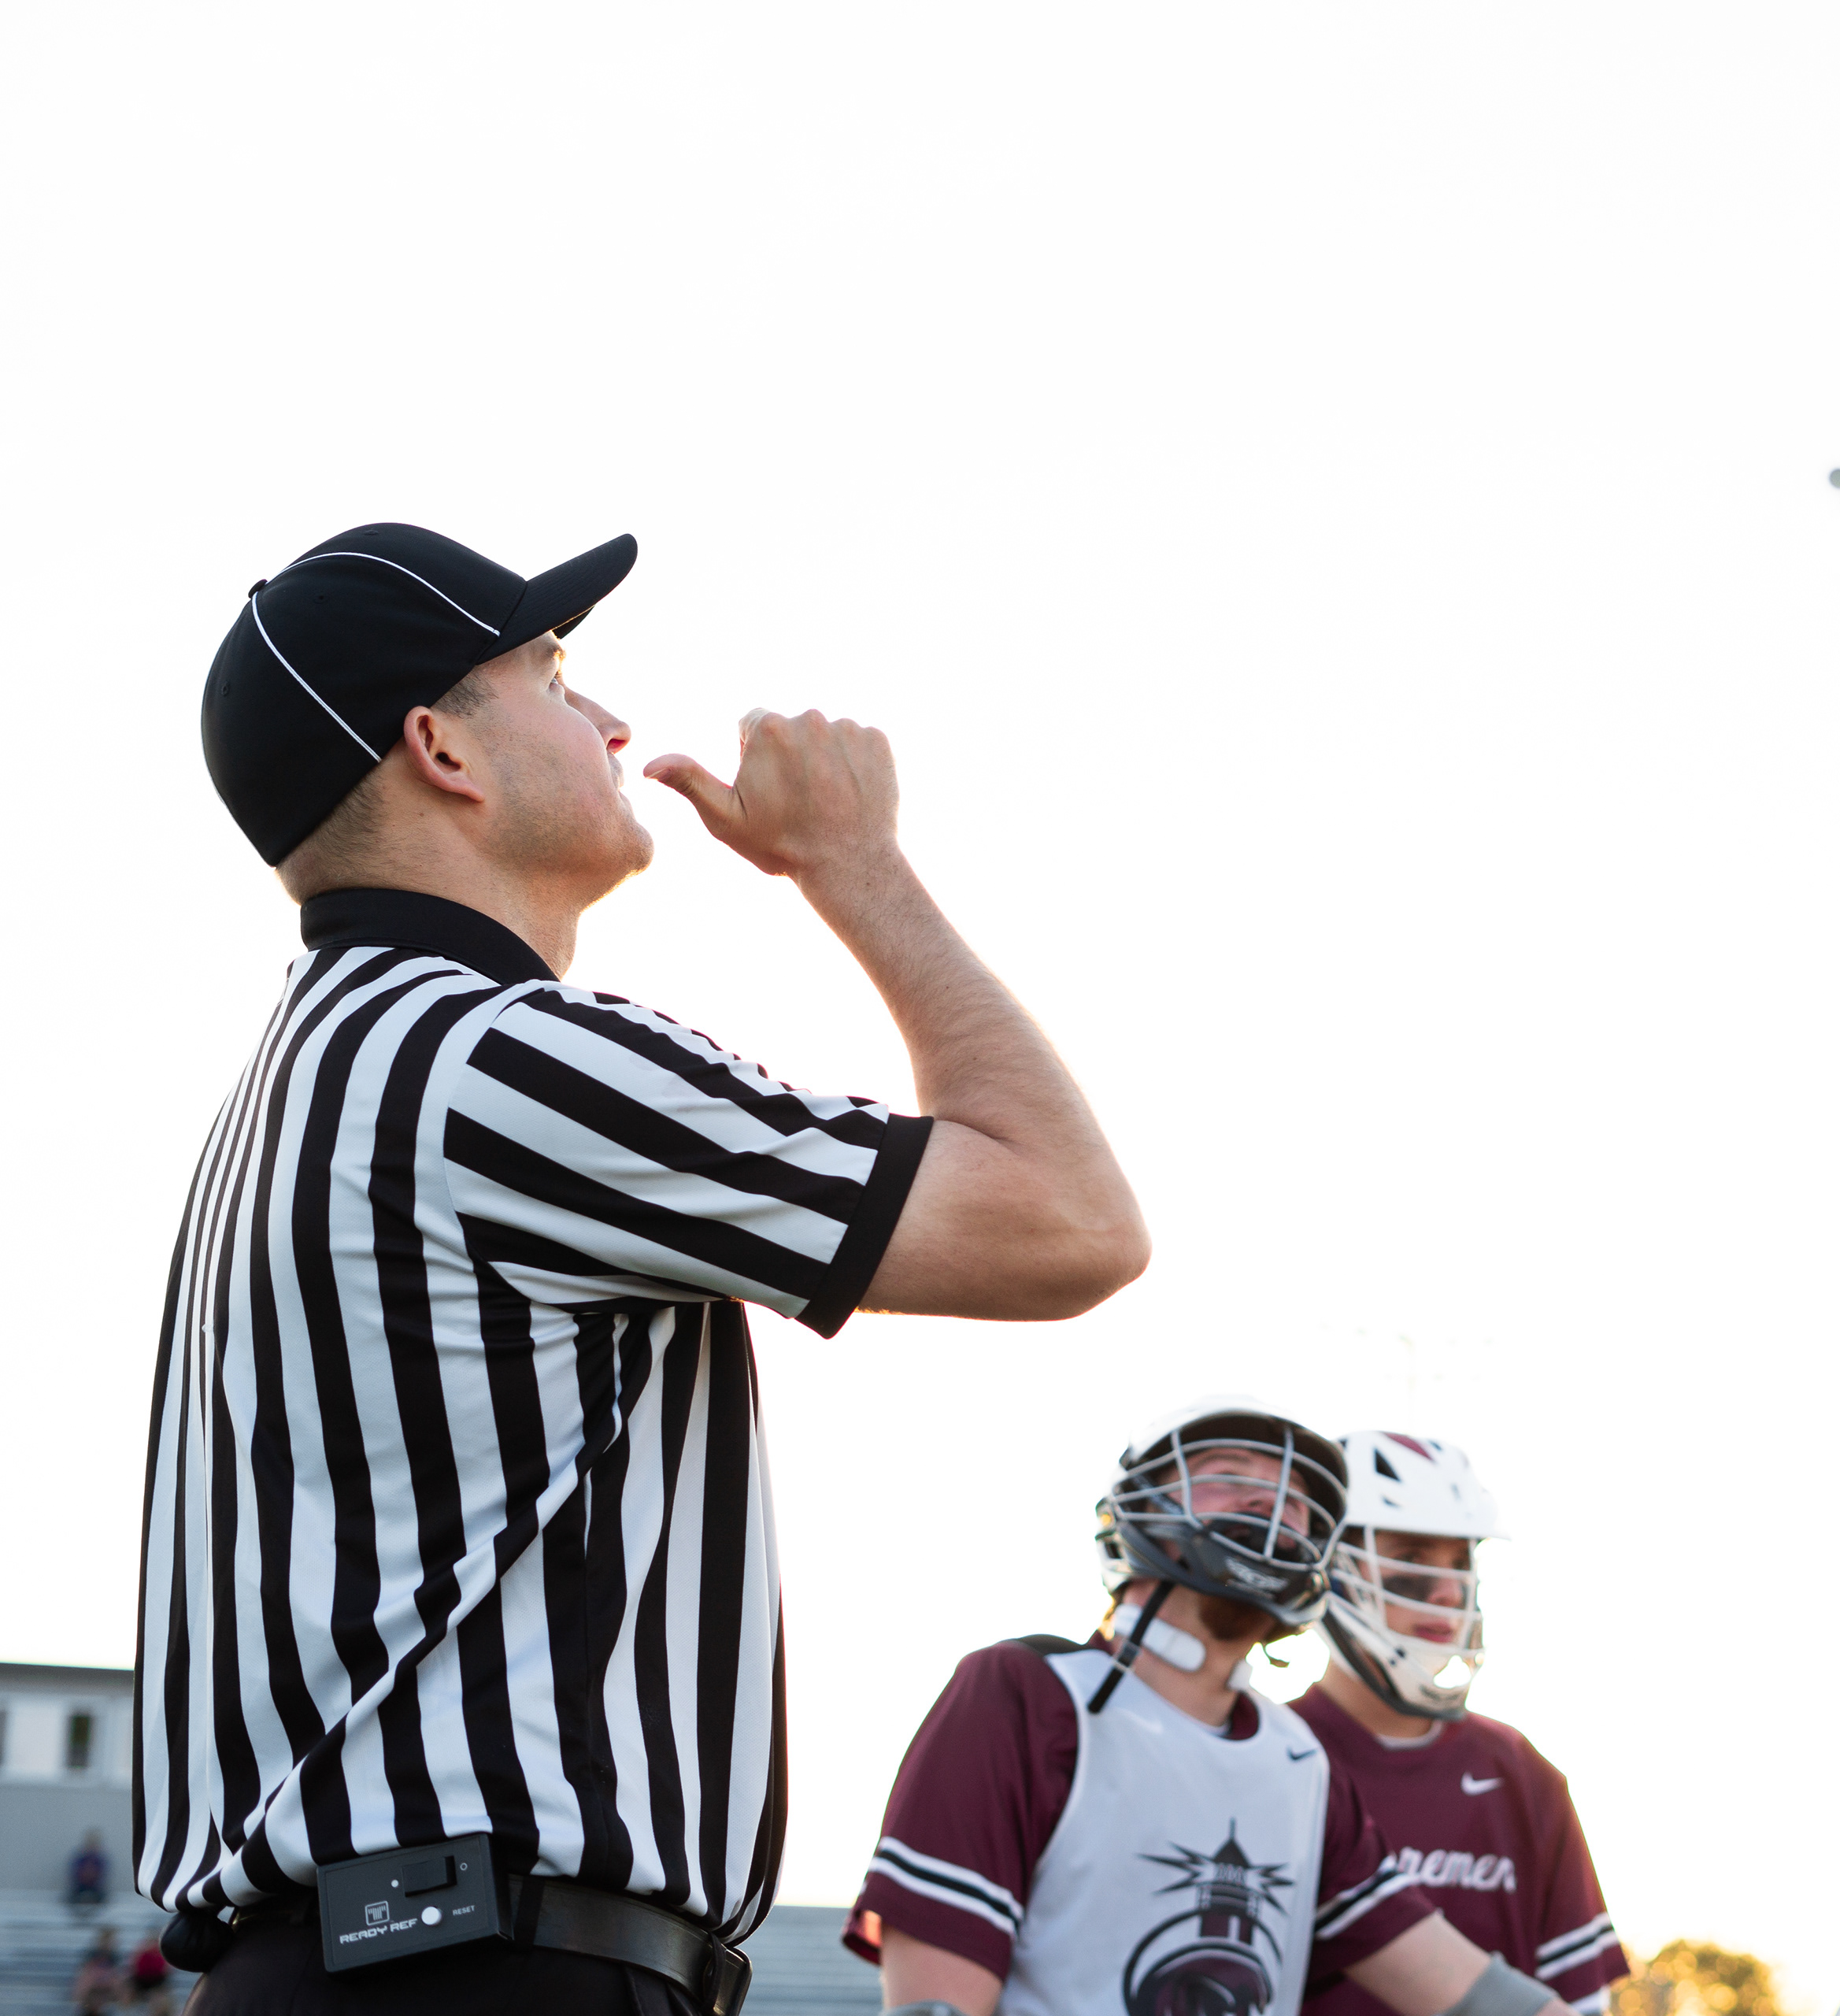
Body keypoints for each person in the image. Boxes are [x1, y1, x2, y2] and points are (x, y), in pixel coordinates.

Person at [144, 523, 1150, 2016]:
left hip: (354, 1957)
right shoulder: (499, 1058)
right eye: (554, 679)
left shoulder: (309, 1075)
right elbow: (1070, 1223)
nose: (612, 722)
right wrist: (854, 864)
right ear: (440, 749)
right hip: (486, 1968)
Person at [845, 1400, 1578, 2016]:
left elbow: (1466, 1990)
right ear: (1139, 1510)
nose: (1271, 1504)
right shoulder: (1025, 1694)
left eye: (1296, 1501)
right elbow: (936, 2004)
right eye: (1229, 1476)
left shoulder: (1298, 1759)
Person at [1294, 1432, 1627, 2016]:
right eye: (1412, 1557)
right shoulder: (1273, 1753)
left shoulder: (1521, 1773)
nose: (1449, 1591)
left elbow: (1580, 2003)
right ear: (1330, 1565)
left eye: (1460, 1562)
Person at [70, 1928, 123, 2015]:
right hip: (94, 1980)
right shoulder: (92, 1954)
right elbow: (87, 1969)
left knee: (117, 1982)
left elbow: (116, 1972)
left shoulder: (114, 1956)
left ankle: (121, 2007)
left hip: (107, 1981)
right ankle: (80, 2004)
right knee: (86, 1980)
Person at [67, 1829, 107, 1911]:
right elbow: (75, 1874)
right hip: (80, 1889)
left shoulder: (100, 1860)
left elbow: (102, 1876)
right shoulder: (80, 1859)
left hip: (96, 1889)